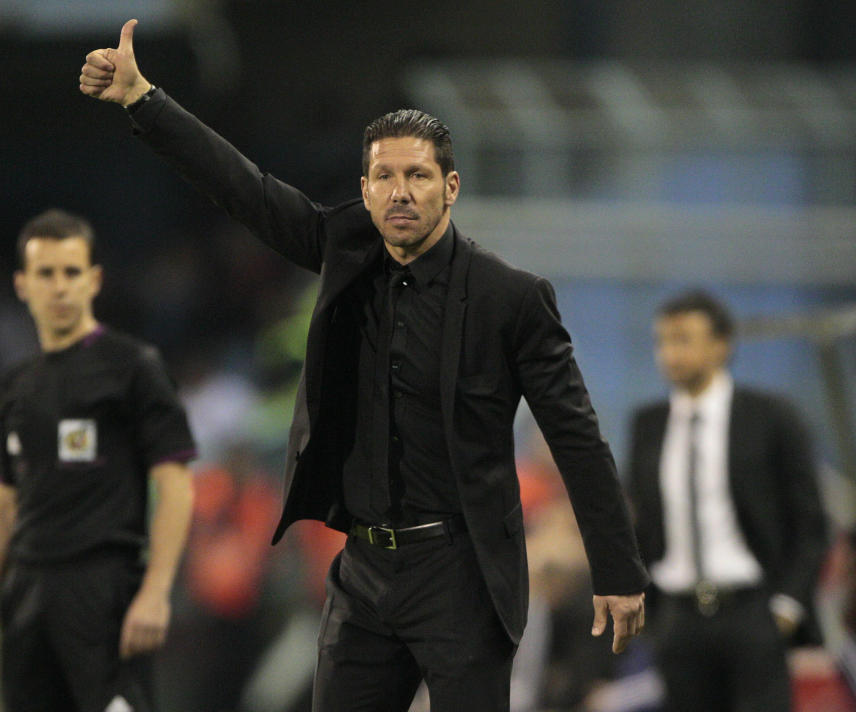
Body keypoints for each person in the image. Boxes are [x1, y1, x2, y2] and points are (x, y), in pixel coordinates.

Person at [79, 20, 648, 712]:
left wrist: (617, 570)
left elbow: (576, 435)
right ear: (366, 186)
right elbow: (245, 189)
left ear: (452, 187)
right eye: (385, 175)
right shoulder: (341, 249)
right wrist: (145, 100)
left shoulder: (512, 299)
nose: (400, 191)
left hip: (463, 575)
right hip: (364, 572)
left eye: (417, 175)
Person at [0, 209, 197, 712]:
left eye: (71, 272)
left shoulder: (133, 368)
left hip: (104, 589)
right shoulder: (16, 384)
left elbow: (176, 485)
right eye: (46, 273)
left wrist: (155, 591)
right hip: (25, 592)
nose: (59, 287)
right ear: (22, 284)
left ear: (95, 280)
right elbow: (2, 502)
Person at [625, 290, 829, 712]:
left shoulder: (769, 417)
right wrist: (654, 614)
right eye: (662, 341)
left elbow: (810, 521)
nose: (669, 353)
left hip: (753, 610)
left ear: (721, 344)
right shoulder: (648, 424)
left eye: (683, 339)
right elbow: (640, 522)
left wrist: (789, 605)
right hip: (678, 616)